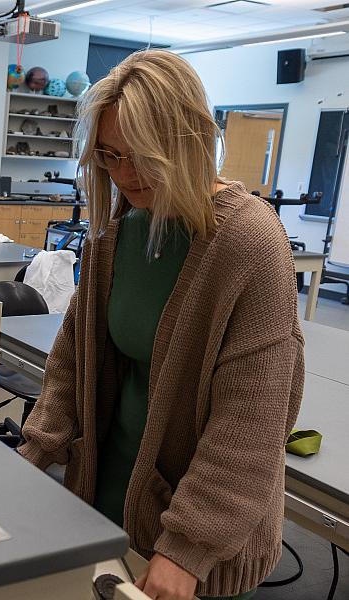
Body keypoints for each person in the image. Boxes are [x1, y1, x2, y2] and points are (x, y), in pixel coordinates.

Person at [18, 50, 304, 600]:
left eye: (142, 156)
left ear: (190, 142)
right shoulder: (118, 229)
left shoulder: (248, 243)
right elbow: (74, 360)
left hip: (200, 520)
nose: (123, 175)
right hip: (109, 488)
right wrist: (37, 449)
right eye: (109, 155)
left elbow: (253, 421)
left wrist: (187, 547)